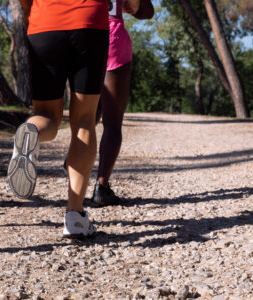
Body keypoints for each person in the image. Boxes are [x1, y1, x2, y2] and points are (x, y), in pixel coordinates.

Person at [7, 0, 109, 238]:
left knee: (46, 115)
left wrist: (31, 12)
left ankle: (31, 130)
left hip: (45, 24)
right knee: (84, 119)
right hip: (90, 23)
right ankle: (74, 216)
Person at [91, 0, 154, 206]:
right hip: (112, 37)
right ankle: (102, 186)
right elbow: (146, 12)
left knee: (86, 112)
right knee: (112, 122)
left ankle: (73, 159)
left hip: (81, 37)